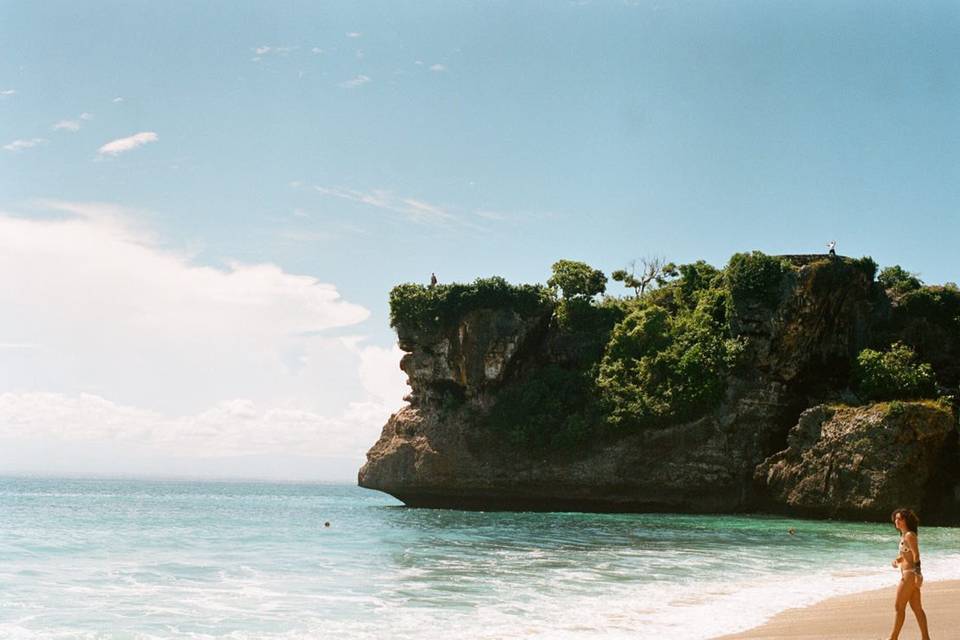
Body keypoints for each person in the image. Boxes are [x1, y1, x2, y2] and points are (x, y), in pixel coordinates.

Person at [888, 508, 930, 640]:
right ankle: (926, 638)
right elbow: (905, 556)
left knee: (898, 606)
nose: (897, 521)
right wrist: (897, 560)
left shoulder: (909, 535)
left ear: (906, 520)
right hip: (909, 574)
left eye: (900, 518)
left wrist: (918, 574)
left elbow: (916, 555)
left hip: (910, 575)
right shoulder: (904, 536)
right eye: (896, 518)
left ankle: (893, 638)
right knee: (917, 608)